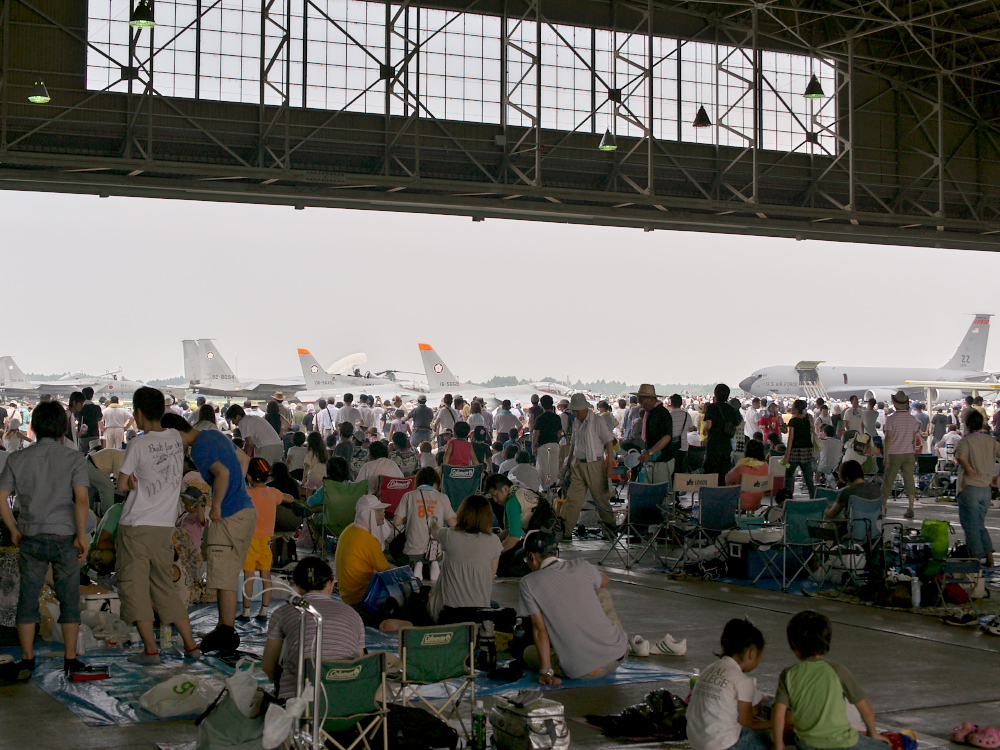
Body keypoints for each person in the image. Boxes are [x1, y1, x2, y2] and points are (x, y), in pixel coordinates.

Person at [0, 400, 92, 679]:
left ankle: (28, 660)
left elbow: (1, 498)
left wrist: (14, 529)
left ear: (34, 427)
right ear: (63, 427)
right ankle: (70, 659)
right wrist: (82, 535)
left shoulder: (17, 459)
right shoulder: (74, 458)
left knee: (27, 600)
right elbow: (82, 500)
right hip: (65, 537)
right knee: (69, 600)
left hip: (31, 537)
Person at [114, 387, 202, 665]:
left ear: (139, 412)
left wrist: (132, 481)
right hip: (165, 527)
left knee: (135, 587)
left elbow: (121, 484)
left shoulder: (139, 444)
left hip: (136, 526)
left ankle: (150, 650)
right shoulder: (176, 438)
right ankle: (191, 646)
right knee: (164, 587)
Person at [162, 414, 257, 655]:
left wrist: (217, 505)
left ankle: (226, 633)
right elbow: (243, 460)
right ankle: (224, 628)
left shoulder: (198, 450)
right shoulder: (213, 435)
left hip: (228, 516)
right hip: (245, 509)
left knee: (223, 577)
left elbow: (222, 473)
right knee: (229, 573)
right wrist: (237, 491)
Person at [517, 530, 627, 684]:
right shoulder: (581, 565)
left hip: (583, 671)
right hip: (619, 654)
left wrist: (546, 672)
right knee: (601, 591)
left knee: (528, 653)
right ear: (557, 553)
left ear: (531, 557)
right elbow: (605, 581)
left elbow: (540, 631)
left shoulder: (528, 583)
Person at [772, 611, 889, 750]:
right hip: (843, 744)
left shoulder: (788, 674)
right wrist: (873, 733)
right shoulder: (838, 670)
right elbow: (866, 710)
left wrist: (779, 745)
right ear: (827, 641)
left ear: (793, 644)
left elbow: (778, 715)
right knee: (884, 747)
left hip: (807, 745)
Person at [262, 557, 365, 700]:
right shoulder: (353, 614)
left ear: (296, 587)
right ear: (331, 584)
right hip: (350, 704)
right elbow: (360, 662)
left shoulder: (283, 613)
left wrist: (280, 683)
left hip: (298, 707)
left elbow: (268, 666)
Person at [687, 618, 771, 750]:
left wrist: (758, 706)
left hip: (697, 742)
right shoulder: (743, 681)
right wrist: (777, 723)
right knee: (764, 738)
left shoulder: (709, 669)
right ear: (752, 653)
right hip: (721, 745)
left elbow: (739, 714)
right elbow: (747, 722)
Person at [428, 494, 504, 623]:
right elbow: (490, 576)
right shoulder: (494, 541)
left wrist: (432, 519)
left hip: (446, 615)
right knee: (494, 605)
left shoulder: (449, 536)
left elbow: (433, 528)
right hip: (478, 616)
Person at [240, 457, 294, 623]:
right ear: (268, 476)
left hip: (249, 542)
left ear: (248, 476)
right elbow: (290, 498)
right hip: (267, 542)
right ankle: (264, 611)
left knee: (249, 577)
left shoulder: (246, 494)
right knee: (266, 576)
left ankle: (246, 612)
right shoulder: (273, 493)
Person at [559, 393, 616, 536]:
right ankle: (565, 532)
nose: (575, 413)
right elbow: (573, 444)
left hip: (594, 464)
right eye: (574, 411)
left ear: (585, 408)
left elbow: (609, 442)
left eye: (577, 410)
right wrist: (568, 462)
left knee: (601, 499)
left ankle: (610, 530)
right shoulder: (577, 422)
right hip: (578, 464)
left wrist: (609, 465)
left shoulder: (597, 421)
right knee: (573, 499)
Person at [392, 467, 456, 581]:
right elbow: (453, 524)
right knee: (441, 552)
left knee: (399, 548)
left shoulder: (409, 496)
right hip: (436, 550)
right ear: (436, 482)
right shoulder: (443, 498)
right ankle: (434, 564)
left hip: (412, 550)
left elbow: (396, 522)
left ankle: (417, 565)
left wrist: (411, 518)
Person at [334, 495, 394, 615]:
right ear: (368, 514)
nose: (383, 513)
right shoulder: (368, 540)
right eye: (378, 510)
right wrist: (408, 573)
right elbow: (385, 570)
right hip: (360, 598)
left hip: (346, 595)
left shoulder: (349, 529)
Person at [954, 409, 1000, 568]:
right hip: (986, 489)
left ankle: (976, 562)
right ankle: (989, 558)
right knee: (979, 524)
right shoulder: (991, 440)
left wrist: (968, 469)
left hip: (970, 488)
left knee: (970, 527)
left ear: (966, 424)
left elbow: (960, 457)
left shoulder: (965, 441)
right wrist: (998, 477)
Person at [880, 391, 919, 519]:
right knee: (909, 480)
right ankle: (911, 507)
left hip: (894, 453)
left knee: (888, 480)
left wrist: (886, 456)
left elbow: (888, 438)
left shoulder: (890, 419)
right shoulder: (913, 419)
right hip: (909, 453)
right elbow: (913, 437)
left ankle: (883, 507)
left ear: (895, 404)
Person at [634, 384, 674, 485]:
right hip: (652, 460)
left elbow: (667, 436)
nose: (640, 404)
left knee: (660, 493)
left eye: (641, 400)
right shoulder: (649, 413)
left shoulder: (662, 413)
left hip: (662, 461)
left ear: (650, 399)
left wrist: (651, 452)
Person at [703, 384, 741, 485]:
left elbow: (708, 425)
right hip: (725, 446)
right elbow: (736, 426)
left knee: (711, 473)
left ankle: (710, 496)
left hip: (713, 445)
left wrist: (704, 430)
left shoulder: (711, 408)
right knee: (722, 474)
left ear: (715, 394)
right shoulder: (731, 409)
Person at [784, 399, 816, 499]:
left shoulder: (793, 421)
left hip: (794, 452)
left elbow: (791, 439)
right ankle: (814, 498)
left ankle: (787, 498)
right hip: (807, 451)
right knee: (809, 478)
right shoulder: (808, 419)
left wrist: (787, 456)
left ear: (797, 409)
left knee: (789, 477)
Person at [725, 439, 770, 512]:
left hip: (740, 502)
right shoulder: (765, 466)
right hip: (757, 502)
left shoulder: (742, 467)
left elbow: (727, 479)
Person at [530, 395, 562, 487]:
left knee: (543, 470)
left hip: (543, 445)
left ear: (542, 405)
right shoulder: (557, 417)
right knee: (554, 469)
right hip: (555, 444)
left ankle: (545, 489)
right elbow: (559, 432)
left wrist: (533, 446)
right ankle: (554, 488)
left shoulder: (540, 418)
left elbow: (536, 434)